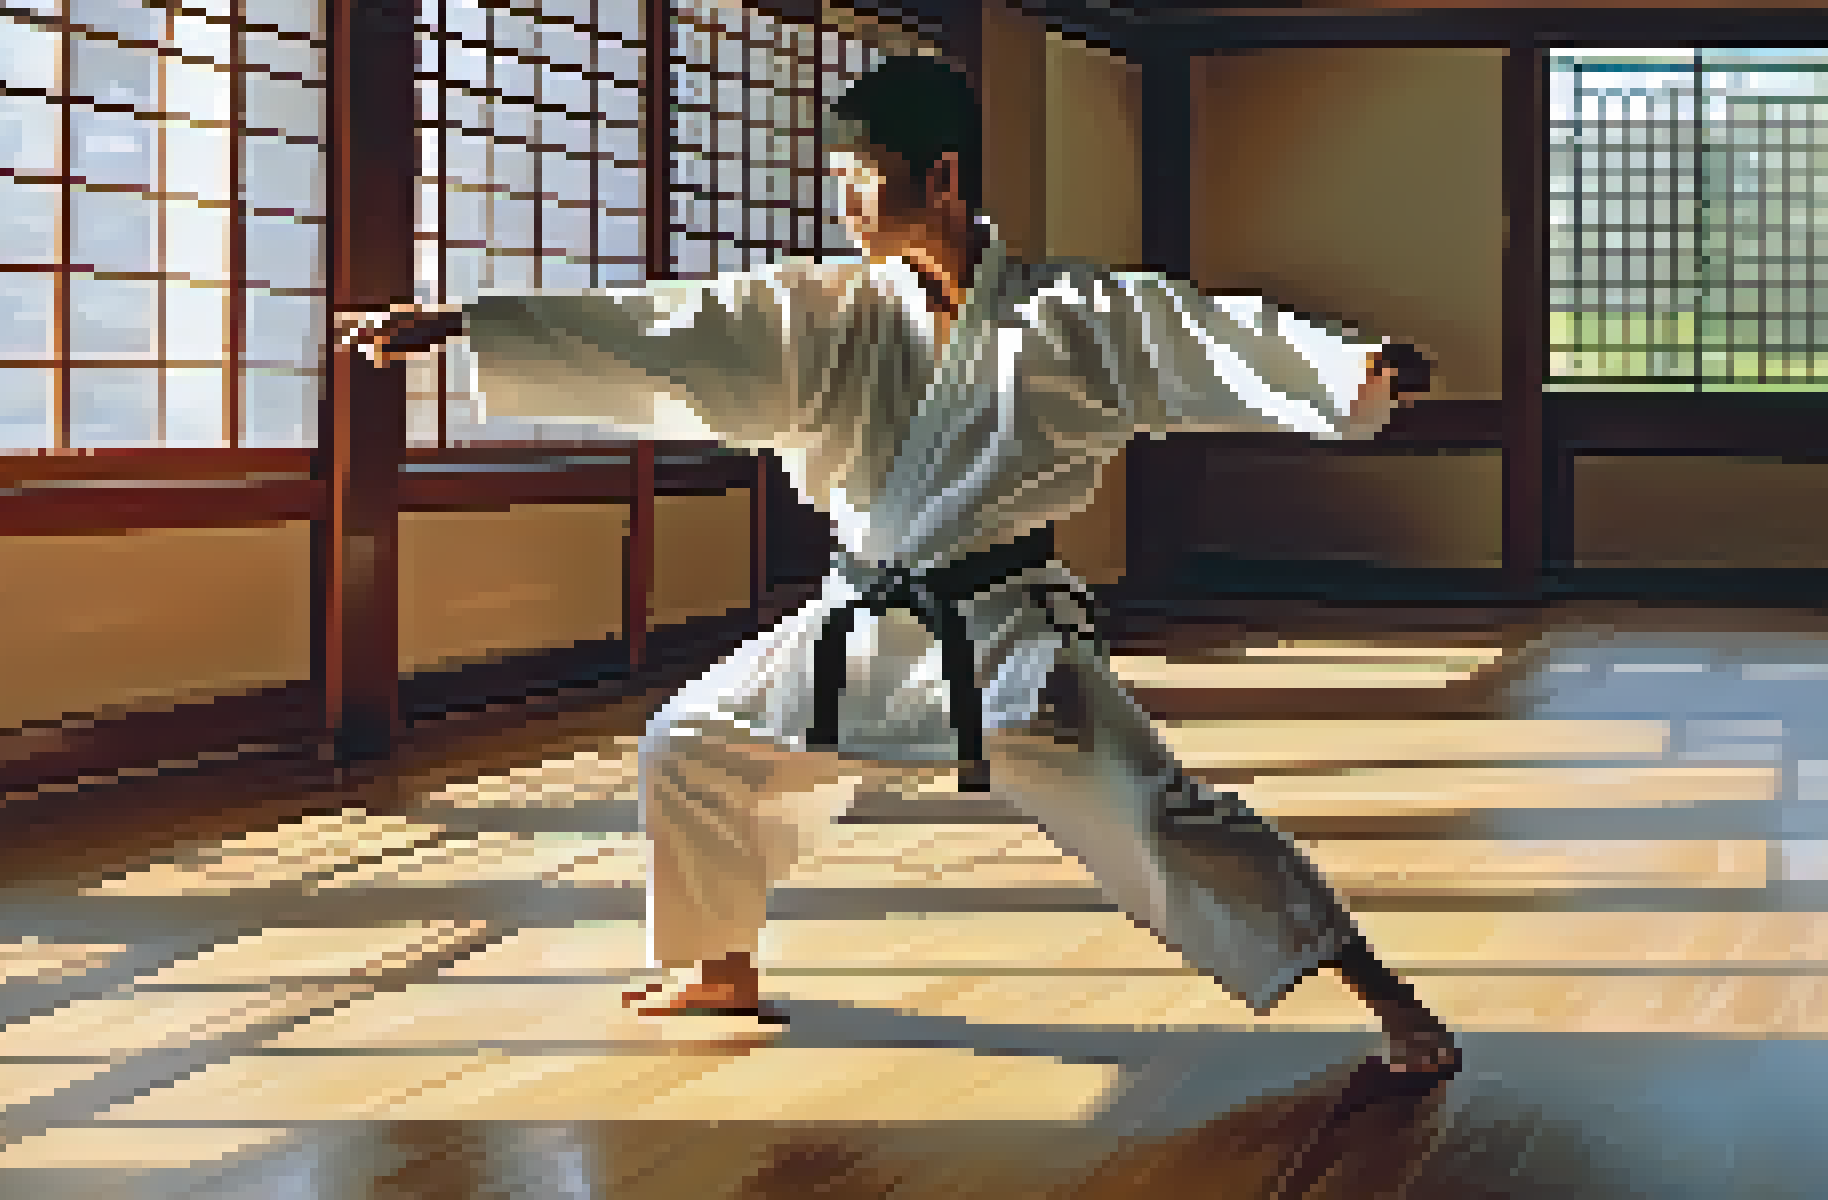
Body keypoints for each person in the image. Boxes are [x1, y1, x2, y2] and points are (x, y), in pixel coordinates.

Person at [338, 55, 1457, 1083]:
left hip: (1006, 633)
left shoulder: (1072, 316)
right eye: (837, 182)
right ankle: (718, 965)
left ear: (945, 176)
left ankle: (1387, 998)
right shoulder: (826, 312)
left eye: (863, 179)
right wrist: (465, 325)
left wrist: (1349, 369)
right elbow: (668, 324)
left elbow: (1210, 334)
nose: (846, 206)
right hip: (861, 619)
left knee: (1159, 819)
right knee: (690, 742)